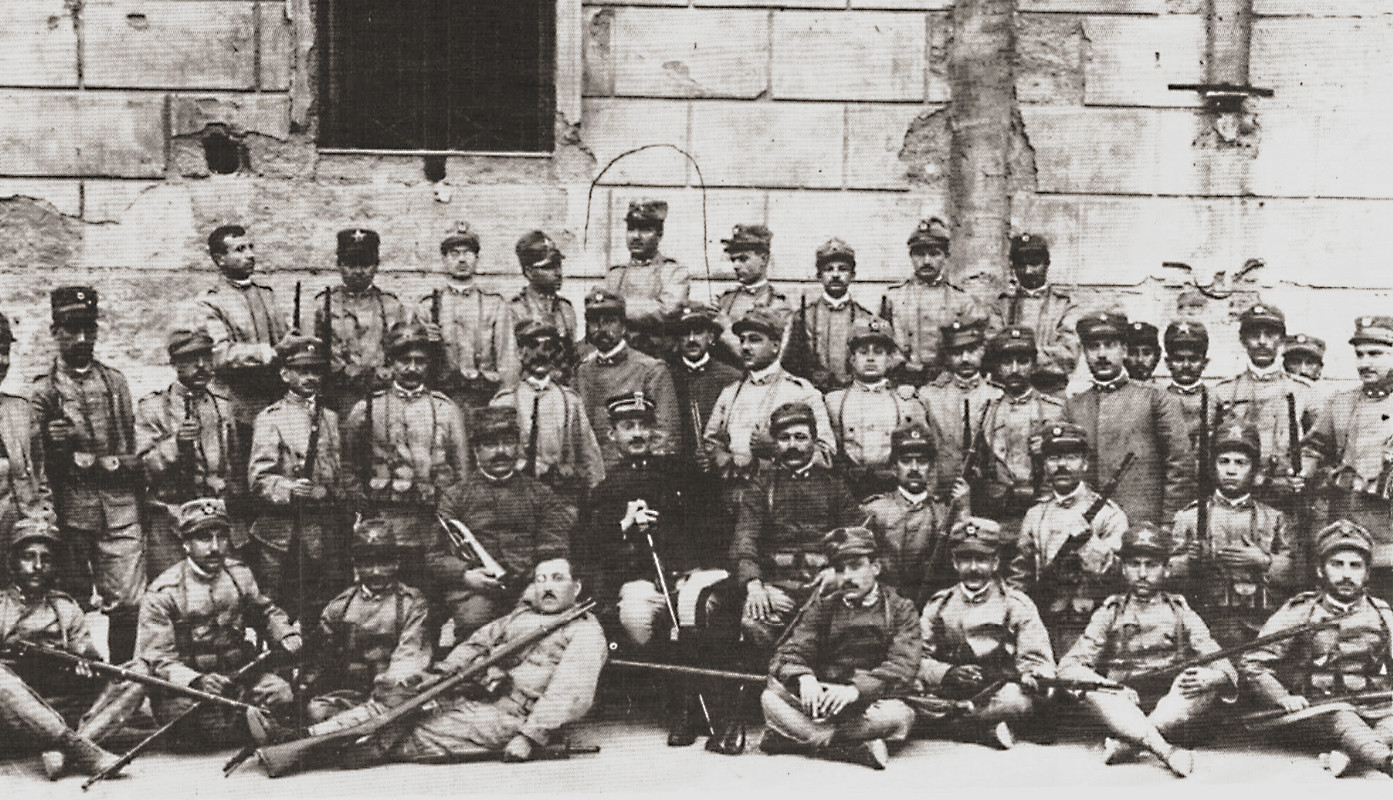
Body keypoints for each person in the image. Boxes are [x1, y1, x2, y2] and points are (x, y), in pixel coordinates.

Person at [306, 557, 607, 766]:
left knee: (413, 732)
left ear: (577, 587)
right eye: (541, 579)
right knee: (396, 702)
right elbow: (477, 643)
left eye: (557, 579)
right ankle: (310, 738)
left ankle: (328, 750)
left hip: (509, 715)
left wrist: (530, 737)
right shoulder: (522, 616)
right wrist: (440, 675)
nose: (547, 587)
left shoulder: (585, 631)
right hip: (470, 693)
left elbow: (570, 691)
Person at [1058, 523, 1237, 778]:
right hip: (1122, 704)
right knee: (1091, 688)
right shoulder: (1111, 611)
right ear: (1123, 568)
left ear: (1166, 569)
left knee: (1201, 682)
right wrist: (1110, 687)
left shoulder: (1181, 611)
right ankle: (1165, 750)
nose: (1142, 573)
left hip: (1170, 704)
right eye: (1134, 564)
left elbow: (1219, 659)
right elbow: (1070, 666)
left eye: (1151, 565)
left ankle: (1129, 742)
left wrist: (1215, 676)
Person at [31, 287, 144, 664]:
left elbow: (131, 451)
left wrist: (104, 464)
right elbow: (38, 464)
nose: (82, 339)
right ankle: (78, 680)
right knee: (71, 600)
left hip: (120, 510)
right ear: (55, 331)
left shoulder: (115, 383)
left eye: (89, 329)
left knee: (128, 602)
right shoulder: (43, 391)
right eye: (72, 330)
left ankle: (123, 677)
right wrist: (55, 446)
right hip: (72, 513)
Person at [136, 498, 302, 750]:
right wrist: (196, 680)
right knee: (191, 718)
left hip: (240, 676)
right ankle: (248, 723)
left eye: (221, 537)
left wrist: (285, 633)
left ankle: (244, 721)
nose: (215, 547)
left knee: (281, 693)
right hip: (189, 690)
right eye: (204, 538)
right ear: (186, 544)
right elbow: (157, 658)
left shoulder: (239, 576)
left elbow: (266, 612)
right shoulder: (164, 592)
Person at [758, 527, 919, 771]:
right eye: (840, 569)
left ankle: (803, 738)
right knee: (770, 696)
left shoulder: (901, 609)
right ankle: (848, 747)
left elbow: (902, 666)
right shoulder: (824, 607)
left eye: (856, 566)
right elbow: (791, 651)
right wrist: (805, 678)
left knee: (899, 716)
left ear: (876, 567)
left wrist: (855, 690)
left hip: (870, 703)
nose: (847, 577)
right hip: (825, 702)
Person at [1242, 520, 1393, 778]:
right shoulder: (1302, 611)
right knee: (1341, 716)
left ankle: (1349, 753)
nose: (1346, 574)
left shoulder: (1382, 613)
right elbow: (1252, 662)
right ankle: (1386, 761)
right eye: (1337, 564)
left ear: (1367, 573)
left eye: (1355, 566)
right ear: (1321, 570)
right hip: (1318, 710)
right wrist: (1282, 697)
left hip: (1374, 706)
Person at [720, 402, 863, 648]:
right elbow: (745, 539)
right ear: (775, 443)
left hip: (825, 589)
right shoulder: (761, 487)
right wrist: (755, 586)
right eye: (784, 438)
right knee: (754, 623)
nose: (793, 445)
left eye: (800, 437)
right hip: (776, 588)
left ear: (814, 441)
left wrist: (838, 572)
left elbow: (856, 537)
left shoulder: (834, 487)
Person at [428, 407, 572, 642]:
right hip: (475, 589)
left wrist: (537, 580)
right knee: (475, 619)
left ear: (518, 447)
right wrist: (466, 576)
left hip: (529, 584)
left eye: (508, 443)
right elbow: (435, 556)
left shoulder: (540, 494)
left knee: (539, 624)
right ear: (476, 450)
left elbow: (555, 544)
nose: (500, 452)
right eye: (490, 444)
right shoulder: (456, 496)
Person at [345, 321, 470, 589]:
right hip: (385, 524)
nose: (412, 368)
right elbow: (349, 467)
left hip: (433, 525)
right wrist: (363, 507)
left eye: (420, 361)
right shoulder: (368, 409)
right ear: (390, 363)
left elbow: (462, 473)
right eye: (404, 361)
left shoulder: (446, 410)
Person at [917, 517, 1055, 750]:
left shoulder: (1016, 605)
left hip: (997, 691)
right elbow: (917, 658)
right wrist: (946, 673)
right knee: (913, 697)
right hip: (950, 690)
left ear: (995, 562)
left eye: (981, 560)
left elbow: (1036, 658)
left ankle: (957, 725)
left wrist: (1033, 676)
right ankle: (982, 728)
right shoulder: (939, 605)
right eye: (965, 559)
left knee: (1017, 700)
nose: (973, 568)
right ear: (954, 563)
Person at [0, 518, 119, 780]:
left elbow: (90, 658)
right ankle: (79, 748)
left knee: (132, 675)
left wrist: (88, 664)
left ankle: (67, 748)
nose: (37, 566)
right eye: (28, 557)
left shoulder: (66, 608)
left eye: (46, 559)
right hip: (12, 718)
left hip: (61, 704)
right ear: (12, 562)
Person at [576, 391, 693, 649]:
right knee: (636, 616)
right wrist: (623, 526)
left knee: (701, 607)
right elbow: (589, 549)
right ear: (612, 435)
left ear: (654, 432)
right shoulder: (604, 491)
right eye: (628, 427)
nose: (638, 434)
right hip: (636, 582)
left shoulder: (677, 474)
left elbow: (698, 529)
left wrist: (664, 528)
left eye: (644, 426)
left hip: (683, 576)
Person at [247, 334, 347, 621]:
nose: (310, 377)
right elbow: (258, 478)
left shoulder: (330, 417)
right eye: (302, 371)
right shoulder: (271, 418)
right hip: (286, 531)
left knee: (326, 604)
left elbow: (338, 470)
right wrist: (289, 489)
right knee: (283, 605)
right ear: (284, 374)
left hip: (325, 526)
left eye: (315, 370)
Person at [1170, 422, 1295, 647]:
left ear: (1254, 469)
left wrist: (1264, 561)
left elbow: (1295, 573)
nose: (1231, 470)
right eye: (1224, 461)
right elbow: (1168, 573)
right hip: (1205, 625)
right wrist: (1191, 561)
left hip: (1262, 625)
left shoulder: (1274, 518)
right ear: (1213, 467)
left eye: (1240, 463)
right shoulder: (1189, 517)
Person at [1008, 422, 1128, 654]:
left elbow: (1120, 577)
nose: (1061, 465)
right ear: (1044, 464)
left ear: (1084, 463)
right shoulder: (1035, 515)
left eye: (1071, 457)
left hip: (1093, 629)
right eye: (1053, 458)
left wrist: (1088, 543)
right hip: (1044, 626)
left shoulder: (1108, 514)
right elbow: (1020, 578)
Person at [1066, 310, 1192, 527]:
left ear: (1124, 350)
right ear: (1084, 353)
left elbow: (1180, 466)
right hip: (1087, 528)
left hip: (1142, 527)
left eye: (1110, 345)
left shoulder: (1156, 398)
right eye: (1093, 347)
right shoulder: (1074, 407)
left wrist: (1168, 524)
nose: (1102, 354)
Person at [136, 327, 243, 580]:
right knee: (170, 586)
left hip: (216, 517)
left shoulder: (224, 407)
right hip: (172, 519)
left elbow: (234, 462)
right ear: (174, 364)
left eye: (206, 358)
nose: (201, 366)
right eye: (191, 359)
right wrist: (175, 445)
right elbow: (142, 468)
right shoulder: (153, 408)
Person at [303, 517, 431, 723]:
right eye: (368, 564)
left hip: (394, 693)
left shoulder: (412, 604)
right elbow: (320, 659)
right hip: (352, 695)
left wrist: (384, 693)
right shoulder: (340, 607)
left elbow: (409, 657)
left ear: (396, 562)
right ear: (356, 565)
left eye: (384, 562)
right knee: (317, 711)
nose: (376, 571)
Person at [1299, 316, 1393, 595]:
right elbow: (1314, 447)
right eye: (1360, 355)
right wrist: (1303, 470)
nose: (1364, 363)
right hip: (1347, 531)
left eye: (1375, 354)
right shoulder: (1341, 402)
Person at [703, 308, 835, 482]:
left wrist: (777, 449)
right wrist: (718, 455)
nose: (745, 347)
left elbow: (826, 453)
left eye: (754, 340)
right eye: (742, 340)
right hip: (735, 488)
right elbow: (711, 441)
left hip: (785, 490)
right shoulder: (731, 393)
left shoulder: (801, 392)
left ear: (775, 346)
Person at [192, 224, 288, 460]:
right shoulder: (210, 303)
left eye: (250, 247)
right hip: (238, 408)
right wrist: (270, 353)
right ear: (220, 259)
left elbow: (283, 339)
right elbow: (220, 354)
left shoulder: (266, 294)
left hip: (276, 404)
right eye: (240, 250)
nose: (250, 255)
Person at [488, 320, 605, 510]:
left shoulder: (570, 401)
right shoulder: (504, 402)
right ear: (520, 352)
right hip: (517, 503)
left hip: (562, 502)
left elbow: (589, 456)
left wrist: (598, 501)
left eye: (548, 347)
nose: (540, 354)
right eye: (533, 346)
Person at [1213, 303, 1315, 514]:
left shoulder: (1302, 392)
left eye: (1269, 334)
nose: (1261, 341)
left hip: (1285, 497)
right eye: (1254, 335)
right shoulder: (1224, 392)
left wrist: (1303, 472)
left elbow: (1318, 445)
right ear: (1243, 340)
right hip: (1235, 497)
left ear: (1281, 340)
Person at [861, 422, 969, 607]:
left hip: (933, 606)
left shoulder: (945, 513)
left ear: (932, 468)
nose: (914, 468)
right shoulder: (875, 511)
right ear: (894, 467)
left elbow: (965, 559)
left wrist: (965, 510)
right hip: (885, 607)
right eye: (906, 461)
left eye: (922, 461)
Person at [666, 301, 741, 565]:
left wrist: (719, 455)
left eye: (698, 332)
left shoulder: (731, 377)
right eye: (685, 334)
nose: (691, 339)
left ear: (711, 337)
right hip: (678, 477)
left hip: (720, 479)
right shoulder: (666, 375)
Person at [573, 289, 680, 470]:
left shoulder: (650, 370)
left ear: (623, 327)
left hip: (636, 473)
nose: (602, 329)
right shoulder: (582, 372)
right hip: (592, 472)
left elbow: (665, 436)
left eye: (610, 321)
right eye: (594, 322)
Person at [977, 326, 1067, 535]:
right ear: (997, 366)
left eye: (1023, 361)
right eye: (1007, 363)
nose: (1015, 369)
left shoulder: (1055, 410)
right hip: (998, 512)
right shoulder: (987, 412)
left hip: (1043, 511)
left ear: (1034, 365)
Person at [825, 318, 927, 500]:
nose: (871, 358)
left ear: (889, 359)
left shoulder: (907, 401)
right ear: (852, 359)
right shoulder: (834, 402)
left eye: (878, 352)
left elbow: (924, 453)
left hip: (893, 492)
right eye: (863, 352)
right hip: (847, 492)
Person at [880, 218, 987, 387]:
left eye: (934, 254)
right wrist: (900, 367)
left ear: (946, 256)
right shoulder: (892, 298)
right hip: (901, 383)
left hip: (947, 385)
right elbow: (881, 343)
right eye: (920, 254)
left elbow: (977, 347)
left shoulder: (962, 301)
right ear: (911, 256)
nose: (927, 261)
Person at [418, 223, 513, 410]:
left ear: (477, 258)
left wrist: (502, 402)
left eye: (467, 253)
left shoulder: (495, 305)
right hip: (440, 401)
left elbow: (508, 361)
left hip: (485, 400)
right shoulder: (428, 307)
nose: (461, 260)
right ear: (444, 260)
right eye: (454, 253)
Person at [316, 227, 408, 419]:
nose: (358, 271)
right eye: (351, 264)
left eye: (365, 264)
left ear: (376, 265)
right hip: (337, 398)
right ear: (339, 265)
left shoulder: (391, 306)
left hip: (383, 395)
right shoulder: (323, 305)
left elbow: (405, 352)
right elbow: (313, 355)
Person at [919, 317, 1001, 501]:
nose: (965, 359)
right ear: (947, 355)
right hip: (941, 493)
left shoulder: (997, 396)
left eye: (971, 350)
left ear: (982, 350)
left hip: (987, 495)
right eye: (957, 352)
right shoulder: (929, 397)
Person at [788, 238, 883, 393]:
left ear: (853, 275)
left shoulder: (865, 318)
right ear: (819, 275)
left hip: (852, 395)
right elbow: (791, 364)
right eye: (829, 269)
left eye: (843, 269)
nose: (836, 275)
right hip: (811, 395)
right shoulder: (804, 317)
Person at [600, 198, 690, 359]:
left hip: (661, 359)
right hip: (621, 360)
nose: (636, 236)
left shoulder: (673, 272)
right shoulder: (616, 275)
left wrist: (617, 308)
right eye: (631, 229)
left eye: (645, 230)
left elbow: (667, 311)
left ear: (659, 234)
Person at [992, 232, 1079, 395]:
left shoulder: (1064, 305)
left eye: (1034, 263)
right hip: (1007, 392)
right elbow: (992, 352)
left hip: (1050, 392)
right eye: (1020, 265)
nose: (1028, 271)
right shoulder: (1002, 306)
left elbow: (1068, 356)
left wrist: (1015, 357)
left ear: (1047, 263)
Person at [0, 310, 53, 558]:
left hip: (20, 545)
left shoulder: (20, 411)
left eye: (5, 352)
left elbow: (40, 479)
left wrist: (43, 522)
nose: (2, 361)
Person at [713, 224, 792, 363]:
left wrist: (726, 330)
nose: (736, 266)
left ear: (764, 259)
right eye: (733, 260)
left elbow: (775, 357)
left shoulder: (777, 304)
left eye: (743, 259)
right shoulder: (725, 300)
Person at [507, 231, 579, 382]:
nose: (558, 273)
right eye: (549, 267)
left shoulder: (566, 309)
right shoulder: (514, 310)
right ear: (529, 272)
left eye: (559, 265)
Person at [1162, 321, 1210, 456]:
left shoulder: (1215, 400)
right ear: (1168, 363)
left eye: (1193, 359)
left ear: (1205, 363)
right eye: (1179, 359)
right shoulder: (1158, 400)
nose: (1186, 365)